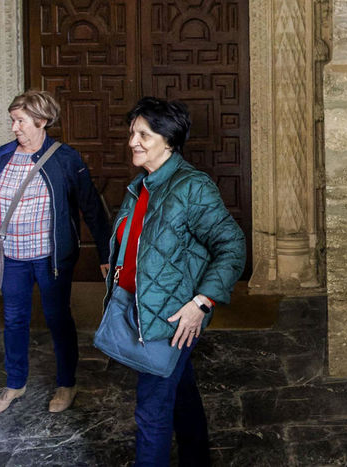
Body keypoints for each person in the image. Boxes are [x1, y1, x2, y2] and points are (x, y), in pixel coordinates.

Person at [107, 97, 245, 465]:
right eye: (132, 133)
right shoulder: (142, 184)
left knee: (151, 413)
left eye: (143, 135)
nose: (133, 142)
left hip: (171, 317)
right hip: (142, 307)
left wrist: (202, 302)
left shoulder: (191, 187)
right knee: (181, 394)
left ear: (168, 140)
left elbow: (232, 245)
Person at [0, 90, 111, 415]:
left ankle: (66, 383)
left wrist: (106, 254)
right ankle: (15, 383)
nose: (13, 127)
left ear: (41, 121)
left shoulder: (65, 159)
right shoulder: (1, 156)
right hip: (11, 257)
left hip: (50, 258)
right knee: (13, 320)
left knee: (57, 318)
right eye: (12, 120)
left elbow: (92, 208)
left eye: (20, 121)